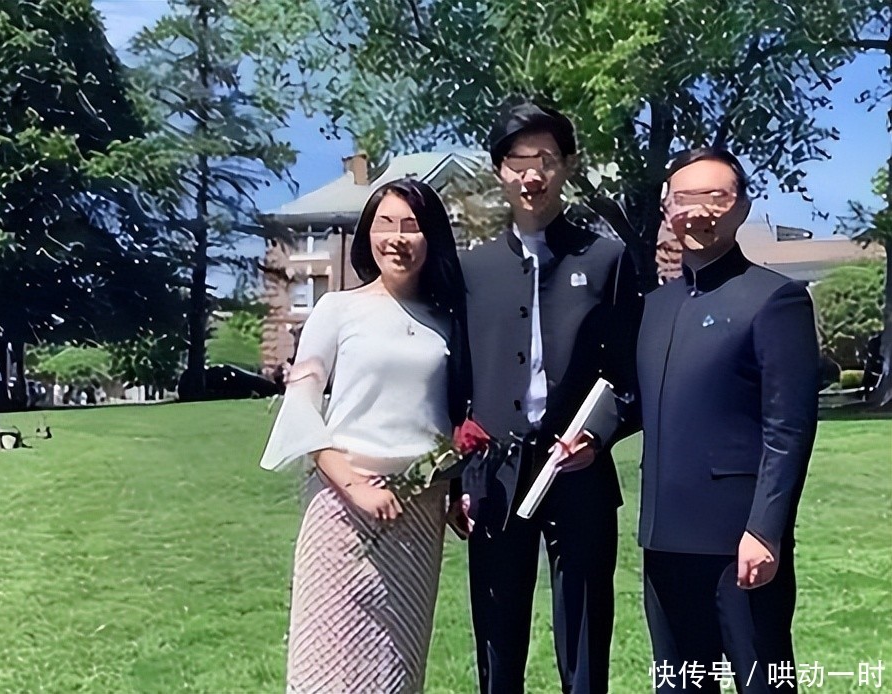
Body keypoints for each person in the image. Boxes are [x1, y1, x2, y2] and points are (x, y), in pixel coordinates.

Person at [454, 100, 641, 693]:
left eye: (546, 160)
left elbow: (633, 377)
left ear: (567, 166)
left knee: (585, 641)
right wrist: (460, 478)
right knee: (497, 642)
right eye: (517, 161)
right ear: (499, 171)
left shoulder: (606, 260)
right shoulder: (471, 271)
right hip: (497, 479)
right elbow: (456, 383)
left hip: (580, 475)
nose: (531, 175)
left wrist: (599, 436)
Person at [258, 178, 471, 693]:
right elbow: (302, 404)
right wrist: (354, 487)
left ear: (432, 237)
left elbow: (453, 412)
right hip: (341, 505)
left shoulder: (448, 320)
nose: (397, 238)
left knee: (395, 666)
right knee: (327, 662)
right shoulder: (337, 308)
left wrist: (456, 491)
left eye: (412, 226)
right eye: (385, 224)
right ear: (367, 236)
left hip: (417, 513)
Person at [636, 148, 818, 692]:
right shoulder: (655, 306)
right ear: (667, 209)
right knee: (680, 682)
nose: (698, 212)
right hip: (664, 539)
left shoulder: (776, 299)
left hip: (739, 542)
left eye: (715, 197)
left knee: (763, 680)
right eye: (684, 199)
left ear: (742, 207)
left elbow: (789, 427)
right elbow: (637, 399)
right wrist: (593, 436)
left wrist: (765, 529)